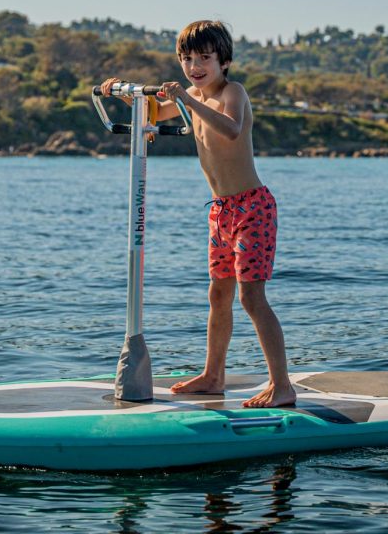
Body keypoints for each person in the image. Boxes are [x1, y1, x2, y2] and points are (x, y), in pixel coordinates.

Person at [99, 20, 296, 408]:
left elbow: (232, 130)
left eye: (204, 58)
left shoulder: (231, 92)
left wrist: (189, 102)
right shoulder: (191, 94)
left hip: (252, 208)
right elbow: (153, 109)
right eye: (187, 59)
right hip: (220, 211)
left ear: (223, 61)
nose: (195, 66)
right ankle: (212, 375)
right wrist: (120, 92)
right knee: (217, 294)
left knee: (251, 298)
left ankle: (282, 384)